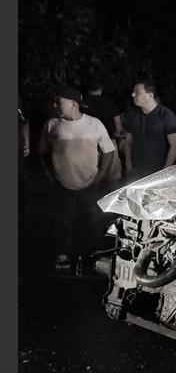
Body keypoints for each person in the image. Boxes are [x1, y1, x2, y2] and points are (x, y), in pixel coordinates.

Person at [38, 86, 120, 272]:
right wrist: (50, 176)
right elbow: (42, 152)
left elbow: (109, 151)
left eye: (59, 102)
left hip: (90, 182)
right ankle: (63, 255)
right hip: (62, 184)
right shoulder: (52, 124)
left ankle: (91, 257)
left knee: (91, 220)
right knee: (62, 221)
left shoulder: (94, 124)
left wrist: (100, 176)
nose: (55, 105)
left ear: (73, 104)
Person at [121, 80, 176, 180]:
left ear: (150, 95)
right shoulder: (133, 115)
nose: (132, 94)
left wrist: (165, 171)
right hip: (136, 171)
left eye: (137, 92)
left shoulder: (166, 116)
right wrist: (129, 166)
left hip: (158, 171)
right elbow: (128, 142)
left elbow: (175, 145)